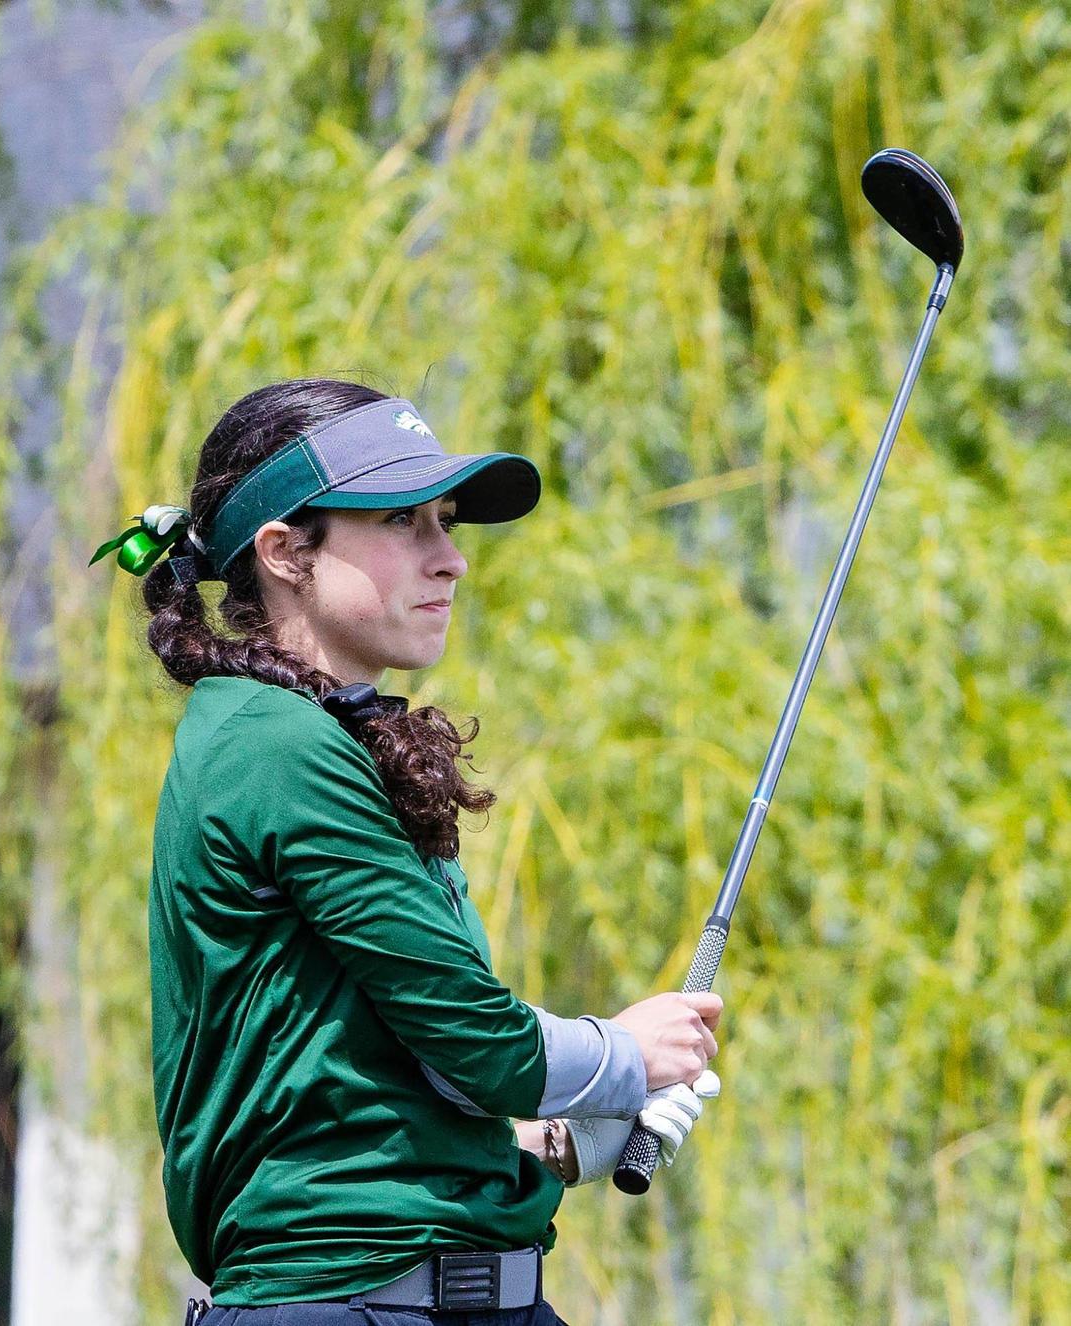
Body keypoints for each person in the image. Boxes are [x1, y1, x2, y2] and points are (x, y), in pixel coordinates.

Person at [91, 378, 724, 1325]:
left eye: (446, 522)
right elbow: (478, 1043)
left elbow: (400, 1076)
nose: (452, 558)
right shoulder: (273, 745)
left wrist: (561, 1143)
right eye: (402, 520)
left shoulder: (322, 738)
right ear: (284, 552)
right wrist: (627, 1053)